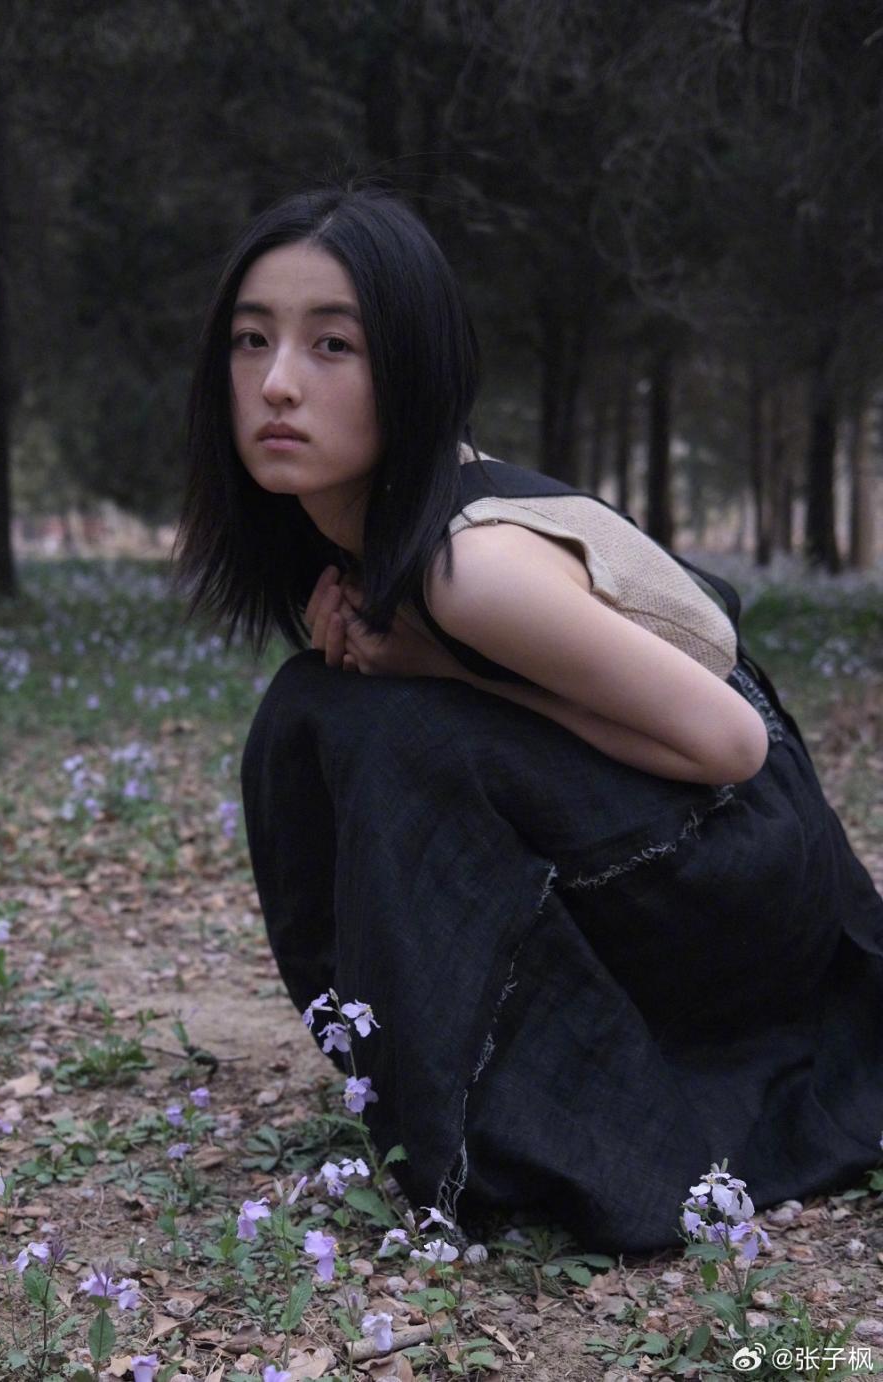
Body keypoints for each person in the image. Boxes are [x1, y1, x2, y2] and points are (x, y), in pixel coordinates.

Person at [174, 185, 883, 1254]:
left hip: (746, 864)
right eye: (251, 339)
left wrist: (434, 668)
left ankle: (552, 1131)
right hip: (694, 825)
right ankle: (459, 1084)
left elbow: (731, 744)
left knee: (383, 732)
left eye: (332, 345)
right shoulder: (385, 525)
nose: (278, 382)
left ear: (412, 367)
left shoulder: (470, 568)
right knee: (321, 705)